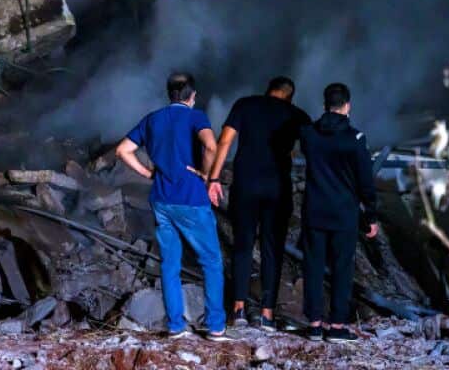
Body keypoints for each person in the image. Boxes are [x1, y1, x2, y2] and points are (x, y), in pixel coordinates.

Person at [116, 72, 228, 340]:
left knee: (170, 264)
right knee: (211, 262)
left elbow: (122, 150)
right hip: (191, 199)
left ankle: (175, 325)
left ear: (170, 94)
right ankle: (215, 326)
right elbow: (211, 146)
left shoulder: (152, 119)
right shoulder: (196, 116)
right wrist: (207, 175)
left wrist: (147, 173)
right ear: (192, 96)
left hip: (161, 200)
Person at [206, 76, 311, 331]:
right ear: (290, 96)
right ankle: (267, 314)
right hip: (277, 190)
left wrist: (215, 178)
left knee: (242, 246)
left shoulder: (246, 105)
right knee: (271, 249)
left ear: (267, 91)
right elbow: (311, 150)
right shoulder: (297, 115)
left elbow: (225, 141)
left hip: (246, 187)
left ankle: (239, 309)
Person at [298, 82, 378, 344]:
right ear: (348, 106)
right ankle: (338, 325)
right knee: (342, 268)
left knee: (313, 266)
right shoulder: (355, 139)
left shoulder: (308, 134)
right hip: (344, 214)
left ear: (324, 105)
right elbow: (366, 182)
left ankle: (314, 324)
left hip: (315, 211)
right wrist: (371, 216)